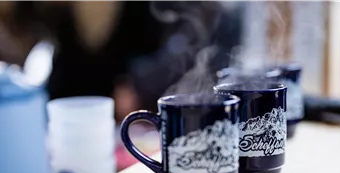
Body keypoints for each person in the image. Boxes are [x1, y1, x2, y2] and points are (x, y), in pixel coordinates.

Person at [0, 0, 244, 122]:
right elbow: (20, 45)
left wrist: (142, 84)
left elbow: (200, 33)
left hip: (135, 114)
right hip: (63, 110)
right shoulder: (53, 8)